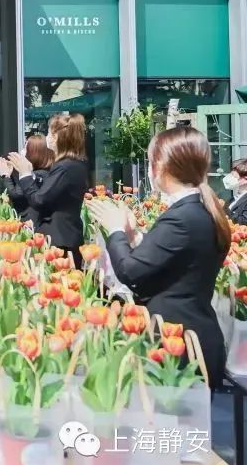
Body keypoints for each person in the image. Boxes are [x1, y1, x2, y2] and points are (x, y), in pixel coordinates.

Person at [88, 126, 230, 387]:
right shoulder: (196, 210)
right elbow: (173, 260)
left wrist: (116, 230)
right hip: (190, 335)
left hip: (179, 343)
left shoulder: (182, 217)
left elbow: (130, 271)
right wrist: (133, 236)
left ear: (162, 166)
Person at [9, 113, 89, 268]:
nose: (46, 138)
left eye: (49, 133)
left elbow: (39, 200)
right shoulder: (75, 164)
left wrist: (25, 174)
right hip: (67, 236)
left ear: (57, 137)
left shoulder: (64, 167)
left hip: (59, 240)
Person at [0, 134, 54, 226]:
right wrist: (9, 175)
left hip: (31, 224)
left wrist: (5, 175)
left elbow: (17, 195)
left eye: (25, 148)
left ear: (34, 153)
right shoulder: (45, 173)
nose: (22, 151)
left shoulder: (38, 175)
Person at [224, 158, 247, 226]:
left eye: (234, 176)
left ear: (245, 179)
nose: (229, 178)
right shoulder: (233, 198)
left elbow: (244, 222)